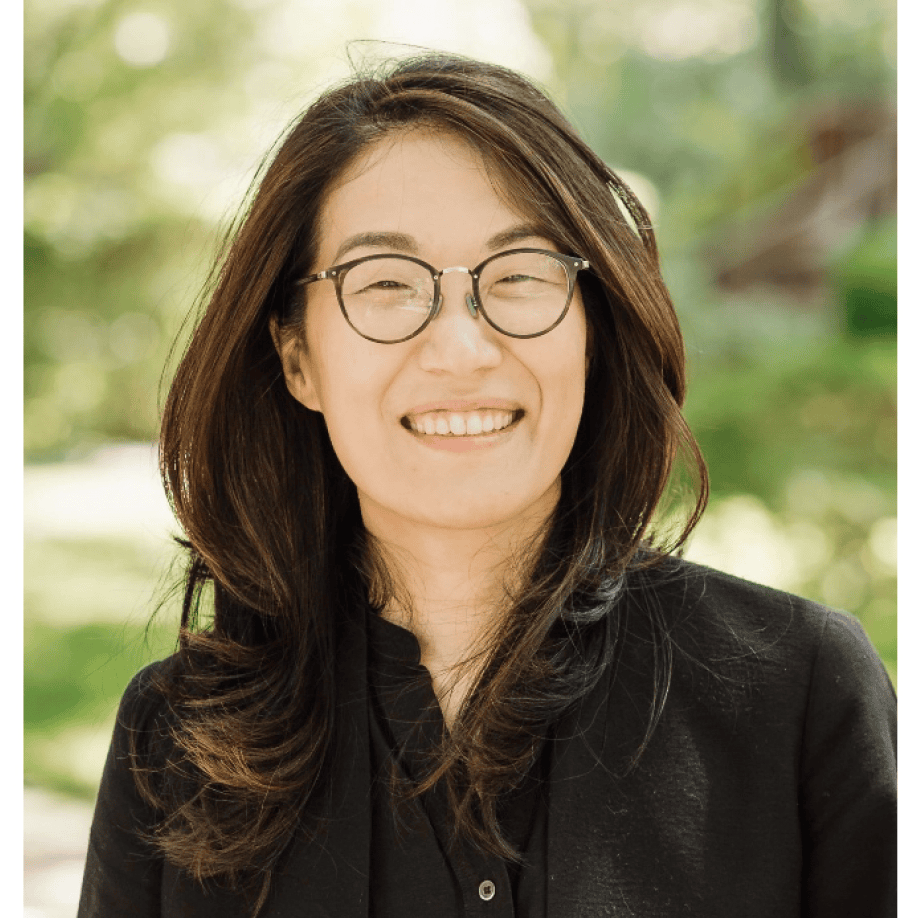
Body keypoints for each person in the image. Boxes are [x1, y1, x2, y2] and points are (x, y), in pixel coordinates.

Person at [77, 52, 896, 918]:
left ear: (591, 331)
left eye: (519, 274)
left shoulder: (800, 694)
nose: (462, 349)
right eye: (386, 284)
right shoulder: (177, 742)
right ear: (297, 359)